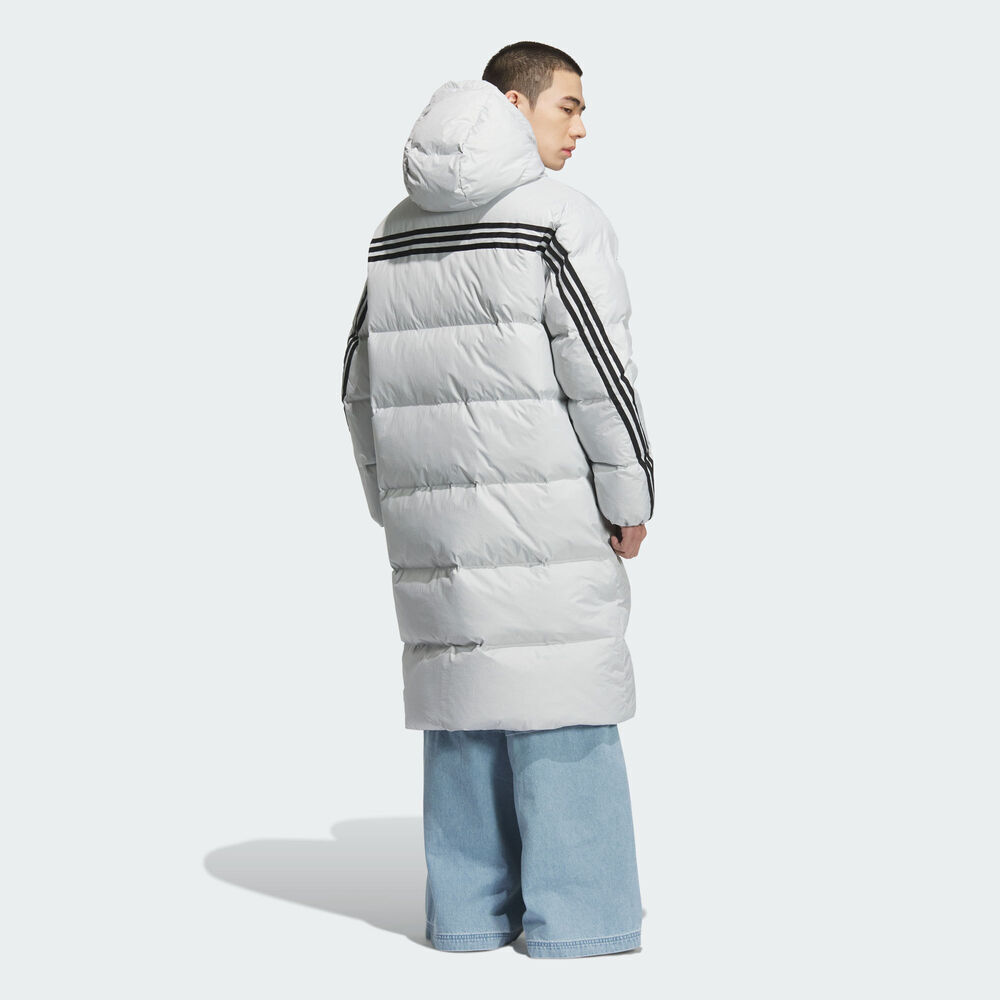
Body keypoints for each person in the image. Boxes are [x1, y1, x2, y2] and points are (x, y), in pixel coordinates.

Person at [342, 41, 654, 958]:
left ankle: (468, 917)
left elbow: (356, 383)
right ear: (513, 105)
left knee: (464, 699)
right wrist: (631, 495)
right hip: (551, 519)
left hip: (434, 531)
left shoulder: (397, 228)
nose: (582, 128)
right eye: (568, 106)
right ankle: (582, 922)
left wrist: (392, 501)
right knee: (562, 696)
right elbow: (601, 376)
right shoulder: (558, 219)